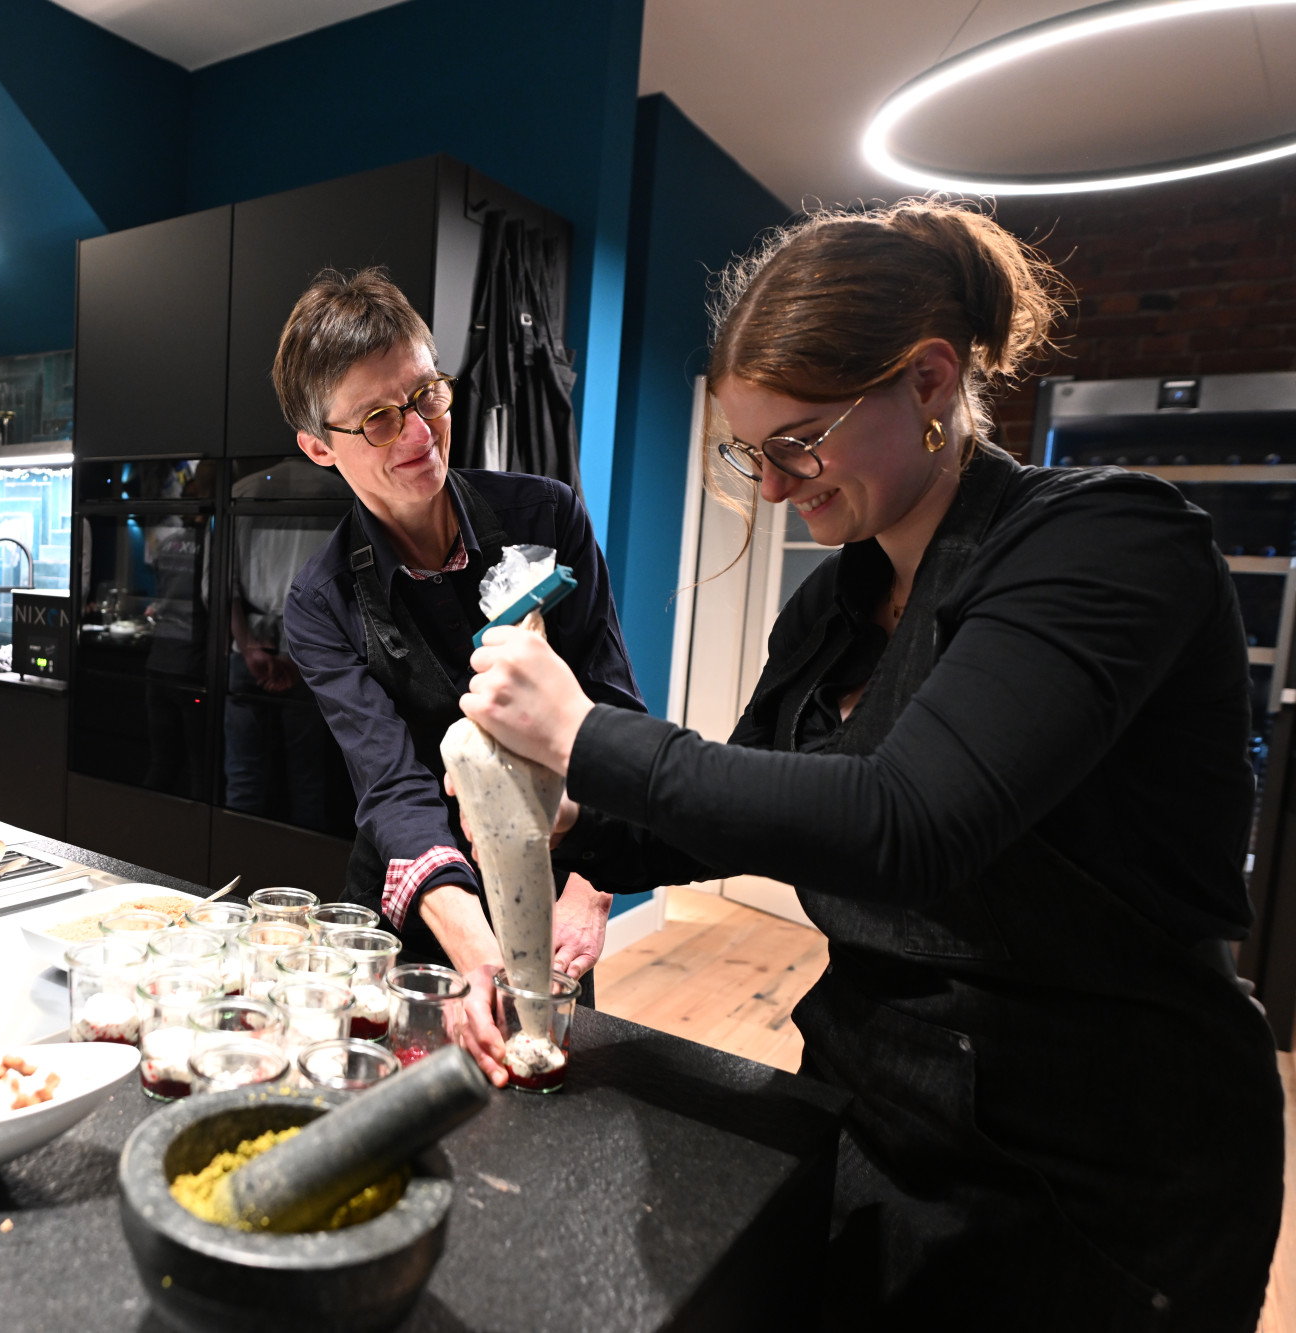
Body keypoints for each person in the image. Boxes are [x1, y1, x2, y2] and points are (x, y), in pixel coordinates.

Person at [459, 200, 1283, 1328]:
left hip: (1096, 1171)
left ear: (929, 381)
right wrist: (560, 821)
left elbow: (907, 823)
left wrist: (584, 735)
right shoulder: (831, 605)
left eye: (797, 442)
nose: (772, 486)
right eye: (750, 452)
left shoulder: (1106, 548)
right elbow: (732, 815)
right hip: (871, 1106)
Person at [277, 269, 642, 1059]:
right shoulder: (321, 600)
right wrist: (488, 960)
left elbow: (611, 718)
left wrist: (592, 883)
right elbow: (393, 786)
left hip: (554, 882)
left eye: (426, 396)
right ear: (317, 446)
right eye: (377, 419)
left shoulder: (545, 516)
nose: (418, 434)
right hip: (417, 902)